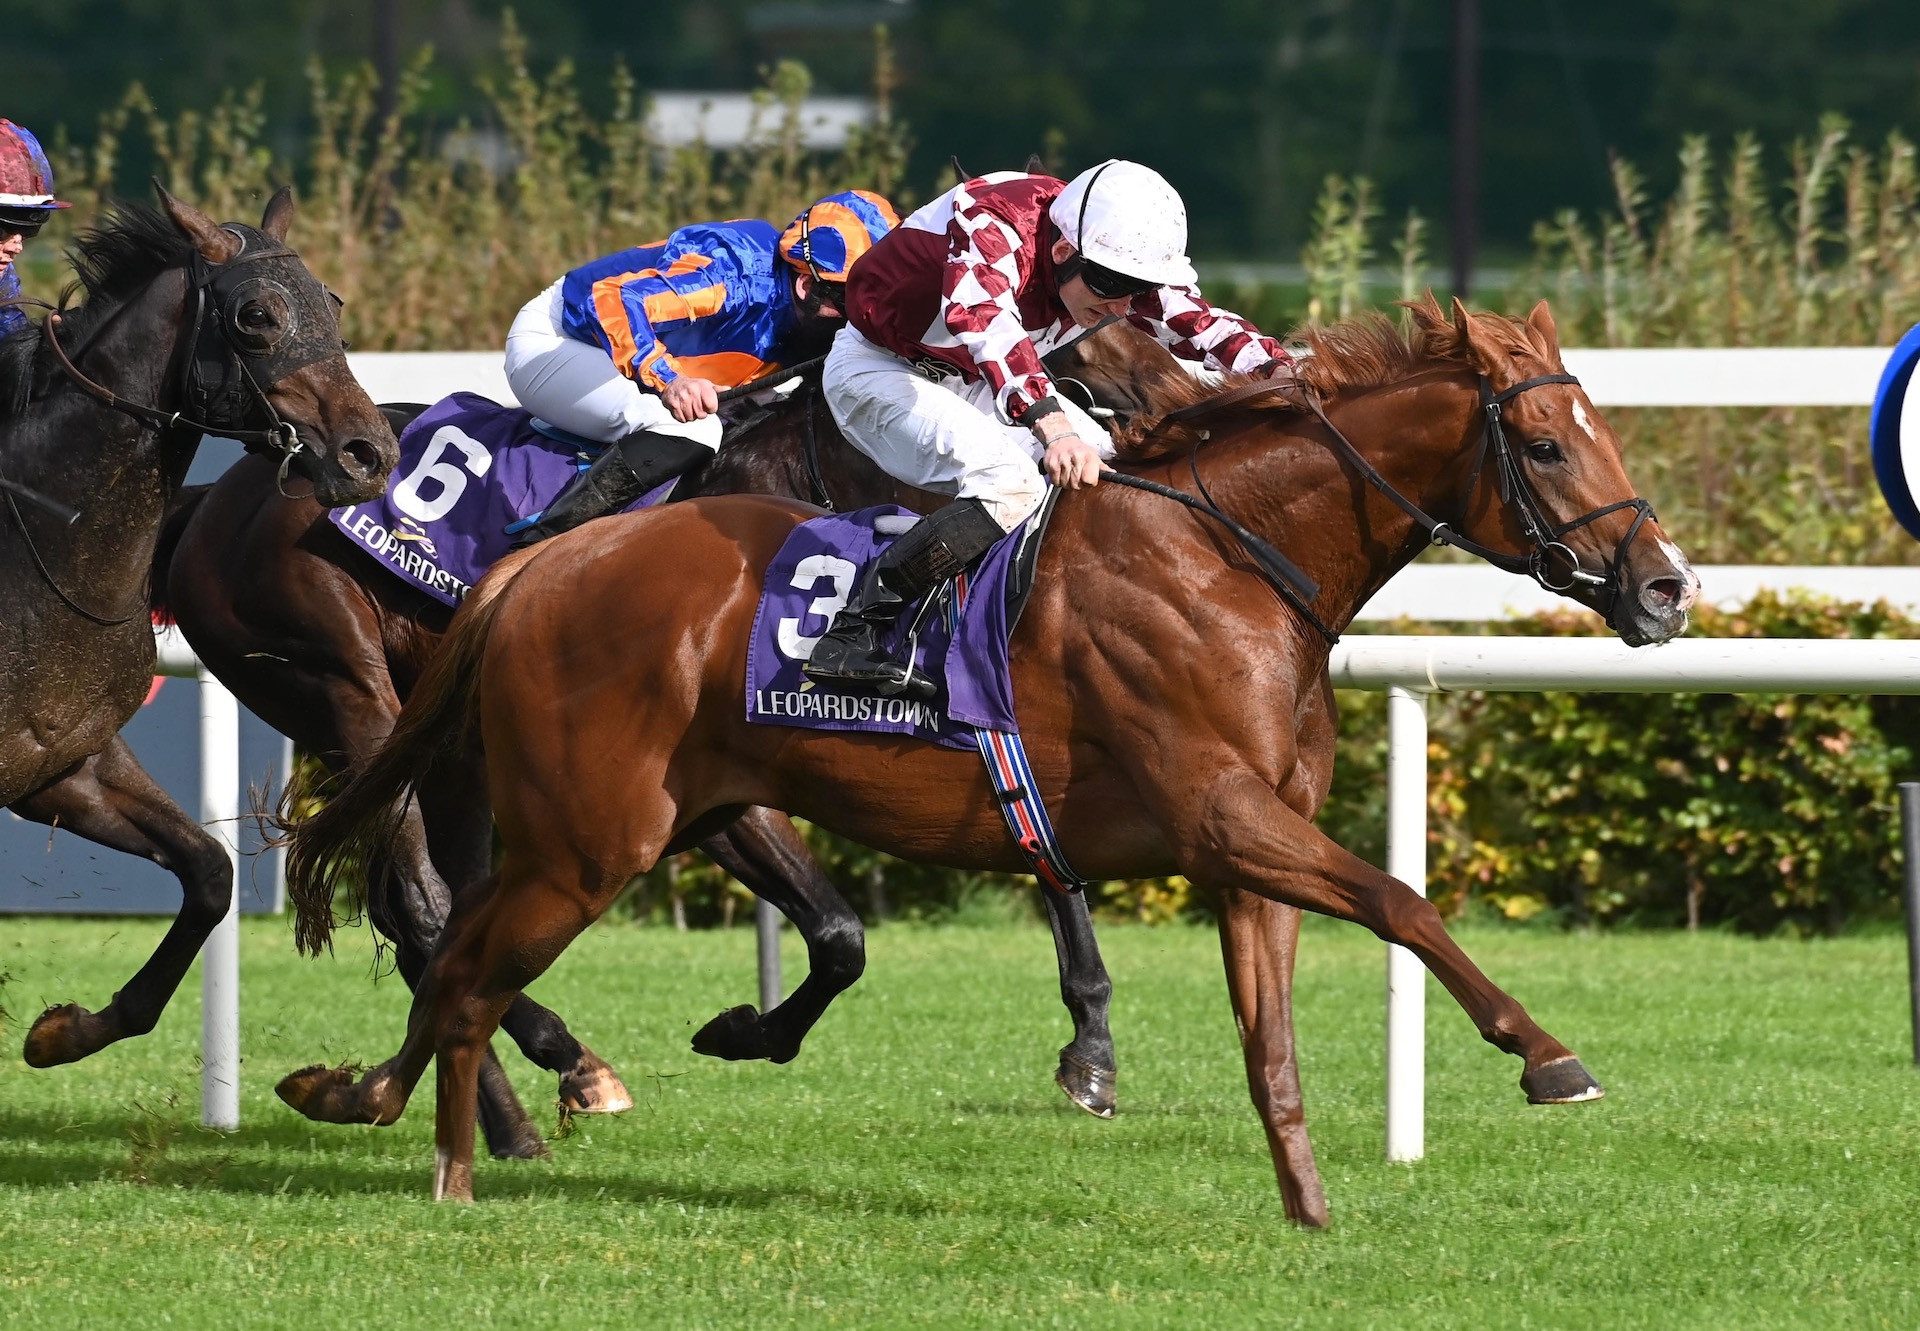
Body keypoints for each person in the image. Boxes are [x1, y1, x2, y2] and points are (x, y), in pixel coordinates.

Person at [803, 159, 1300, 697]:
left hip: (974, 381)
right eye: (1113, 286)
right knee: (1009, 483)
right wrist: (1054, 427)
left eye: (1137, 289)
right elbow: (984, 321)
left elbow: (1200, 325)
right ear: (1062, 252)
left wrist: (1290, 376)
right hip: (878, 370)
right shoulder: (994, 219)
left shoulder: (1106, 257)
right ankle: (850, 637)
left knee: (1116, 475)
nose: (1122, 305)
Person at [502, 189, 900, 544]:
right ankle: (542, 544)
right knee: (695, 428)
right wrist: (670, 380)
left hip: (651, 358)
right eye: (849, 304)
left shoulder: (809, 296)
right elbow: (615, 300)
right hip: (561, 341)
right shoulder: (737, 276)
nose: (857, 319)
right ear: (807, 286)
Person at [0, 119, 71, 340]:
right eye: (2, 229)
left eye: (28, 231)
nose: (16, 247)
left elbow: (9, 338)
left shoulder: (3, 278)